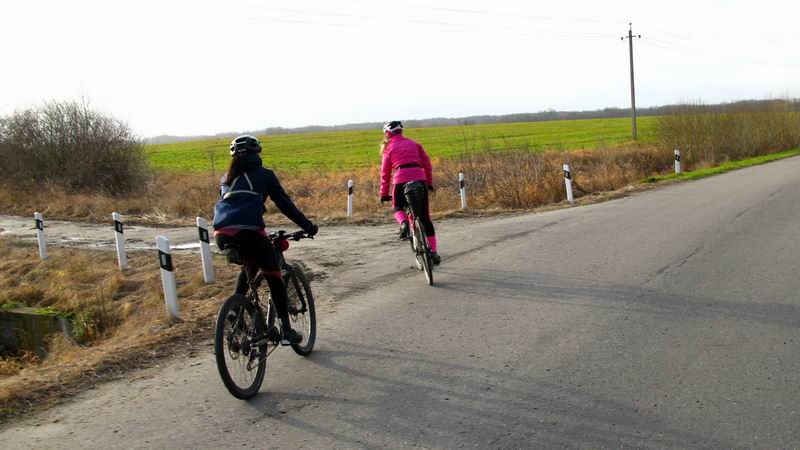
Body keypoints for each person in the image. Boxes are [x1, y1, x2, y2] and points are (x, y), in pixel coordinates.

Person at [213, 135, 318, 345]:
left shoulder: (227, 178)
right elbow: (284, 204)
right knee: (273, 274)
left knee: (249, 265)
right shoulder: (264, 175)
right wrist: (307, 226)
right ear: (257, 153)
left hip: (222, 234)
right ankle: (287, 330)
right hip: (249, 231)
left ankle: (236, 311)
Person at [379, 121, 441, 265]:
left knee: (398, 207)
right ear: (401, 131)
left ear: (387, 134)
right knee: (425, 218)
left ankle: (404, 223)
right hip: (419, 178)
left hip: (400, 179)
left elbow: (385, 173)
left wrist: (383, 193)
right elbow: (427, 164)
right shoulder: (414, 144)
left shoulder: (388, 149)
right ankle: (433, 252)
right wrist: (429, 182)